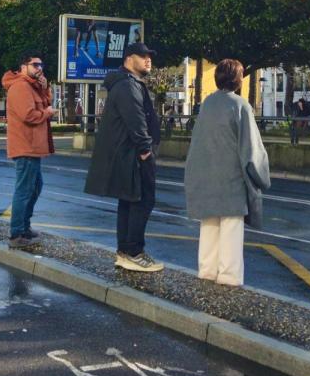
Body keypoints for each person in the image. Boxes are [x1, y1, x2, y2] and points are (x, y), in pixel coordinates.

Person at [184, 59, 270, 287]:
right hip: (230, 179)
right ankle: (228, 278)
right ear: (236, 79)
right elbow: (251, 149)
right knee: (231, 228)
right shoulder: (240, 106)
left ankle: (207, 271)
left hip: (206, 176)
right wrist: (261, 177)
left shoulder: (206, 105)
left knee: (209, 225)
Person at [84, 42, 163, 272]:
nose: (148, 60)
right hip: (134, 154)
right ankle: (133, 252)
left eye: (150, 56)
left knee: (129, 201)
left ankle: (125, 251)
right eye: (143, 56)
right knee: (143, 201)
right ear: (129, 59)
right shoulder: (128, 86)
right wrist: (146, 149)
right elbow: (136, 120)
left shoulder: (125, 83)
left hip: (128, 153)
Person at [1, 51, 56, 249]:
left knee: (35, 187)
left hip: (33, 146)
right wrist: (47, 113)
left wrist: (44, 87)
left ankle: (24, 227)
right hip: (25, 146)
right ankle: (17, 234)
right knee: (25, 190)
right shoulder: (20, 87)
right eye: (35, 65)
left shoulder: (33, 86)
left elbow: (45, 102)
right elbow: (29, 115)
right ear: (23, 67)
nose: (40, 68)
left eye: (41, 65)